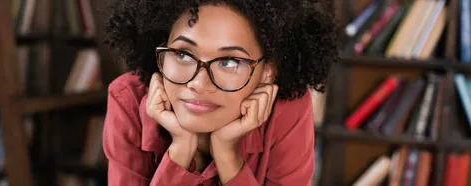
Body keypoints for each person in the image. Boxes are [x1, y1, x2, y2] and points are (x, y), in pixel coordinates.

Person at [101, 0, 337, 185]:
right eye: (183, 54)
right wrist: (180, 151)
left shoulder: (288, 109)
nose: (199, 83)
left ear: (267, 70)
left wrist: (227, 155)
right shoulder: (128, 99)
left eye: (229, 61)